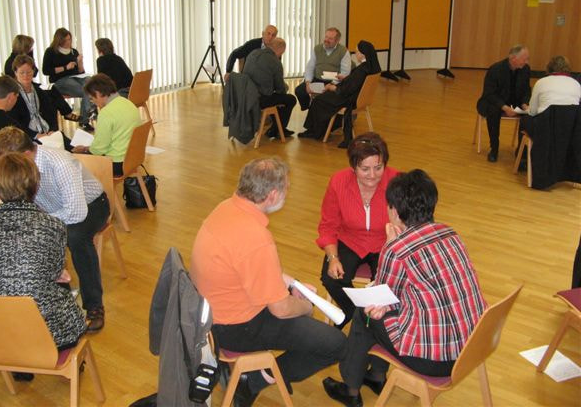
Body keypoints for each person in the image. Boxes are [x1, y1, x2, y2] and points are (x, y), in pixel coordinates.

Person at [190, 158, 347, 406]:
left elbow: (249, 267)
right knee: (337, 344)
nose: (287, 192)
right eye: (286, 188)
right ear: (272, 195)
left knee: (304, 323)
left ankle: (246, 374)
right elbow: (281, 309)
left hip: (210, 318)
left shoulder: (225, 208)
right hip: (235, 328)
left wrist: (292, 284)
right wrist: (307, 307)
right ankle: (252, 381)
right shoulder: (255, 237)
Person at [323, 169, 486, 407]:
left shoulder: (397, 249)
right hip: (472, 346)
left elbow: (378, 295)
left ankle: (350, 389)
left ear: (395, 211)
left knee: (364, 315)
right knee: (386, 311)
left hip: (434, 360)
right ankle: (376, 376)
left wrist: (390, 245)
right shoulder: (450, 233)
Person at [0, 127, 109, 333]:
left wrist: (40, 223)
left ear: (27, 154)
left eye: (9, 162)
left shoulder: (60, 163)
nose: (6, 168)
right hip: (52, 213)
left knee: (76, 237)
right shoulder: (20, 167)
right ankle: (58, 303)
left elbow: (77, 213)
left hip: (92, 205)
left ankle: (94, 306)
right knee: (26, 235)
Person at [0, 153, 87, 352]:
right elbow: (55, 271)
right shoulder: (53, 225)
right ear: (36, 185)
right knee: (62, 289)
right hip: (48, 333)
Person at [317, 132, 398, 329]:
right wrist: (333, 258)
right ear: (353, 167)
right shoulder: (338, 182)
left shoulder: (396, 181)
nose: (372, 175)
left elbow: (409, 222)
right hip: (349, 239)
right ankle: (357, 315)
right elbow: (328, 225)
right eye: (365, 169)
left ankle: (364, 320)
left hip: (386, 241)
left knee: (387, 286)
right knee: (331, 278)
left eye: (378, 167)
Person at [299, 41, 381, 146]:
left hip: (349, 99)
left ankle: (315, 131)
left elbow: (347, 90)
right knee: (323, 98)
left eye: (357, 52)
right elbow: (355, 82)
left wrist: (332, 87)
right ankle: (326, 127)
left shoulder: (362, 69)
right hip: (360, 99)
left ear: (363, 54)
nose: (355, 54)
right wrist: (346, 78)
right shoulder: (372, 67)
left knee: (318, 100)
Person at [72, 73, 141, 176]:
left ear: (98, 93)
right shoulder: (128, 103)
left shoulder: (106, 113)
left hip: (116, 163)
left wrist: (86, 149)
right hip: (134, 159)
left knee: (74, 160)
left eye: (92, 98)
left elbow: (98, 150)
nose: (93, 102)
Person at [476, 44, 531, 162]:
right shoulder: (495, 69)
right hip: (495, 102)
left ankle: (521, 152)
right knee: (493, 110)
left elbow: (527, 90)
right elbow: (489, 94)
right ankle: (494, 148)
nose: (526, 62)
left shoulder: (526, 69)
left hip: (515, 102)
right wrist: (504, 107)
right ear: (513, 58)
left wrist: (525, 103)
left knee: (529, 115)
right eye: (524, 59)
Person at [8, 54, 75, 149]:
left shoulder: (40, 91)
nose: (25, 76)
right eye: (22, 73)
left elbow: (51, 114)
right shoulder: (13, 95)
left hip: (47, 132)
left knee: (74, 147)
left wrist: (52, 131)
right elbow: (15, 124)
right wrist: (35, 135)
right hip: (28, 137)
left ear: (33, 71)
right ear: (15, 73)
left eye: (29, 72)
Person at [242, 38, 297, 138]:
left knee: (276, 98)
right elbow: (280, 89)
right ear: (281, 50)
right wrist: (285, 87)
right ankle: (278, 130)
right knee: (290, 99)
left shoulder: (253, 53)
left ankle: (276, 128)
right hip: (258, 99)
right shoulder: (275, 62)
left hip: (244, 95)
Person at [42, 27, 93, 129]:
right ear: (59, 40)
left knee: (91, 83)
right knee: (86, 90)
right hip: (60, 80)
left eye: (69, 39)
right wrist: (65, 67)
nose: (68, 42)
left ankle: (88, 114)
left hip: (76, 77)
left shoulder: (74, 51)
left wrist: (80, 63)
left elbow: (81, 71)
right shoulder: (51, 51)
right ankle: (86, 118)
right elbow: (46, 71)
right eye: (65, 40)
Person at [294, 27, 352, 111]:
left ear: (337, 40)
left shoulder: (343, 51)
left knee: (326, 97)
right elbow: (310, 67)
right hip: (317, 79)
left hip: (334, 82)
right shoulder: (317, 49)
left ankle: (322, 111)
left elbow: (345, 73)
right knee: (299, 91)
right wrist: (308, 82)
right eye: (326, 37)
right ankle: (309, 108)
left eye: (330, 38)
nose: (326, 40)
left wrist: (332, 84)